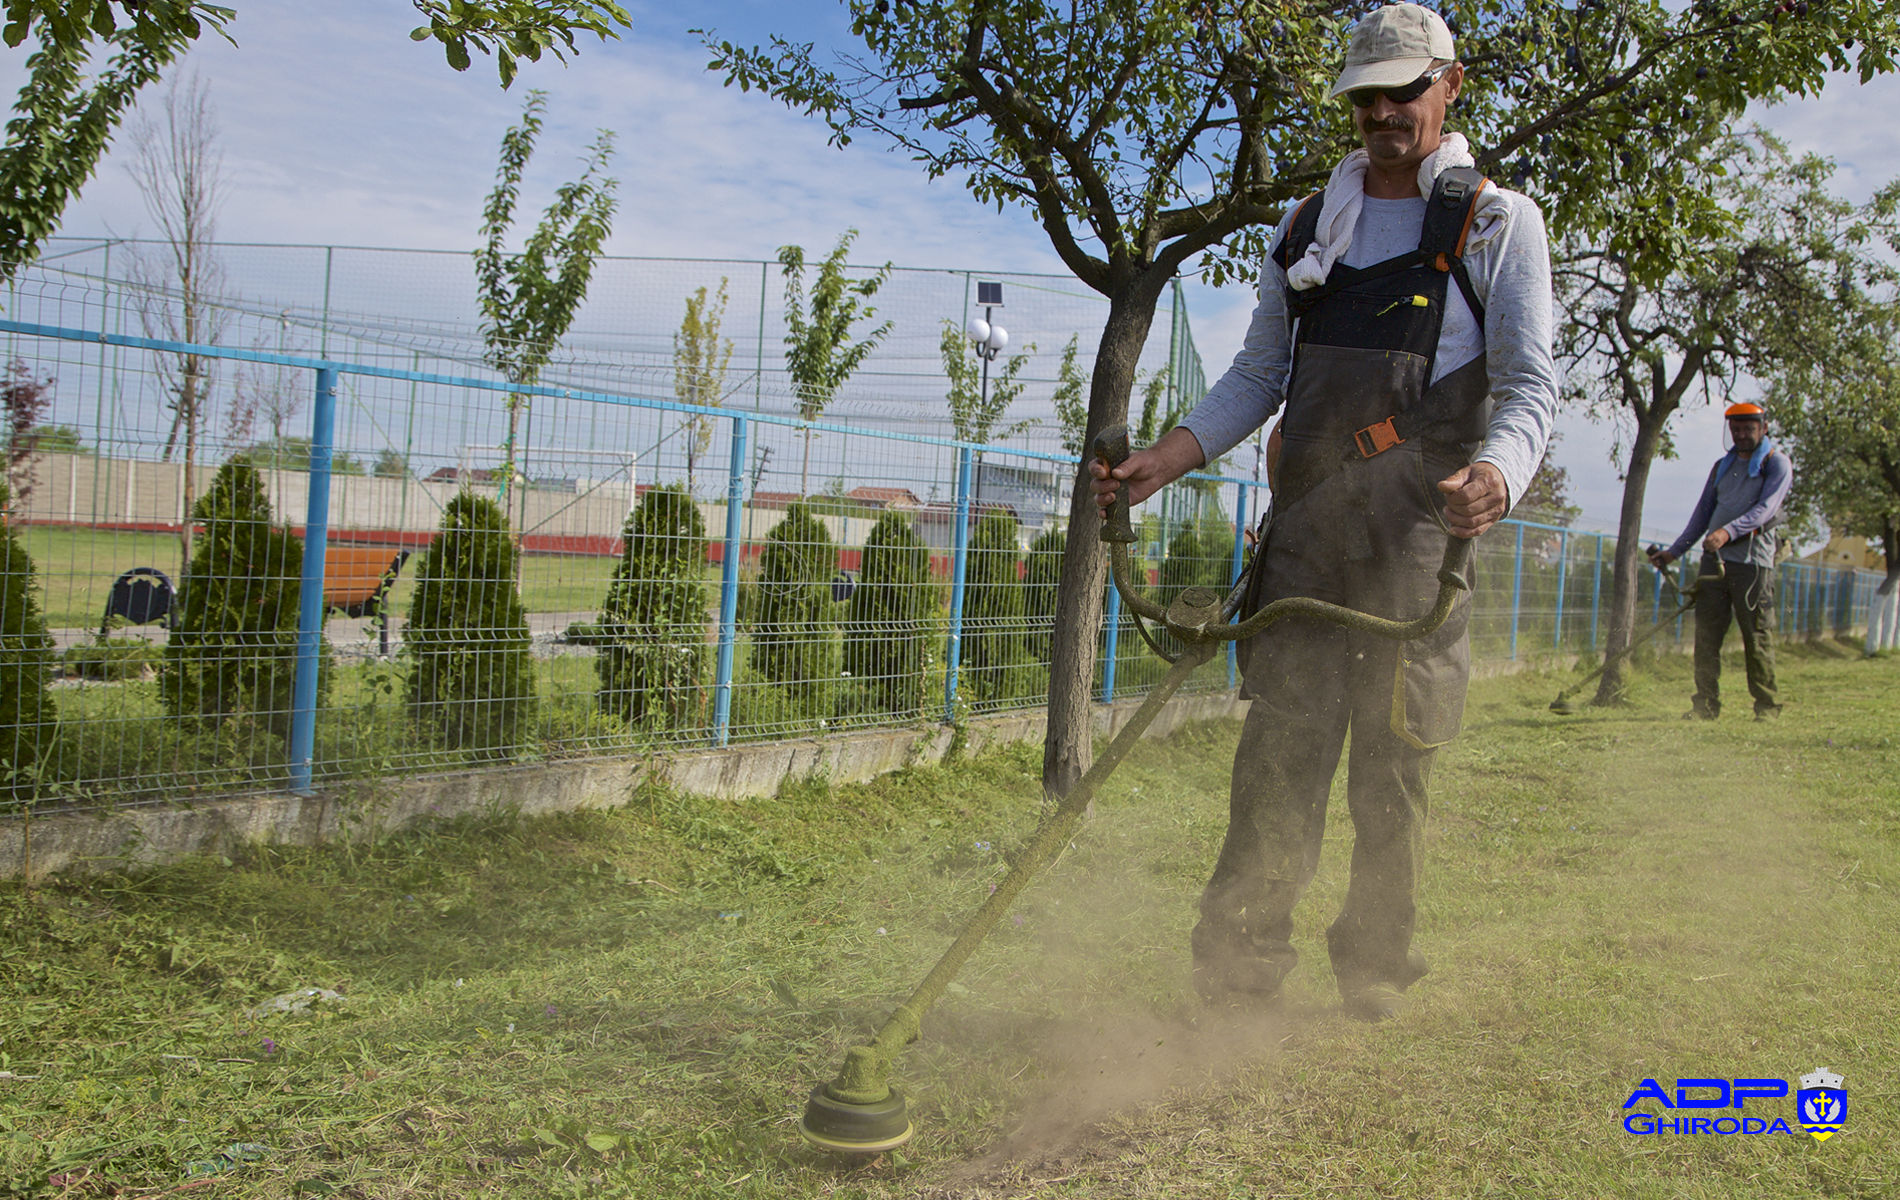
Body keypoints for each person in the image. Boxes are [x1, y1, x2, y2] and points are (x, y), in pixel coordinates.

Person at [1090, 3, 1557, 1022]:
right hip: (1307, 528)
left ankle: (1374, 966)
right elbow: (1261, 373)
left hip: (1415, 533)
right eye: (1365, 95)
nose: (1384, 110)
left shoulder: (1495, 224)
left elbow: (1527, 389)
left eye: (1404, 89)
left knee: (1393, 759)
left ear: (1451, 83)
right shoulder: (1305, 229)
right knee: (1280, 753)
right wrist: (1167, 457)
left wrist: (1500, 473)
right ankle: (1240, 964)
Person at [1647, 402, 1791, 721]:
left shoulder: (1775, 463)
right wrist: (1674, 551)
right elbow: (1702, 516)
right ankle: (1705, 706)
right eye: (1735, 429)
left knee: (1757, 637)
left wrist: (1728, 532)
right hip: (1715, 562)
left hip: (1754, 565)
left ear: (1763, 428)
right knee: (1706, 637)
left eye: (1747, 429)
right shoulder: (1721, 467)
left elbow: (1765, 510)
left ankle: (1767, 708)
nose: (1740, 435)